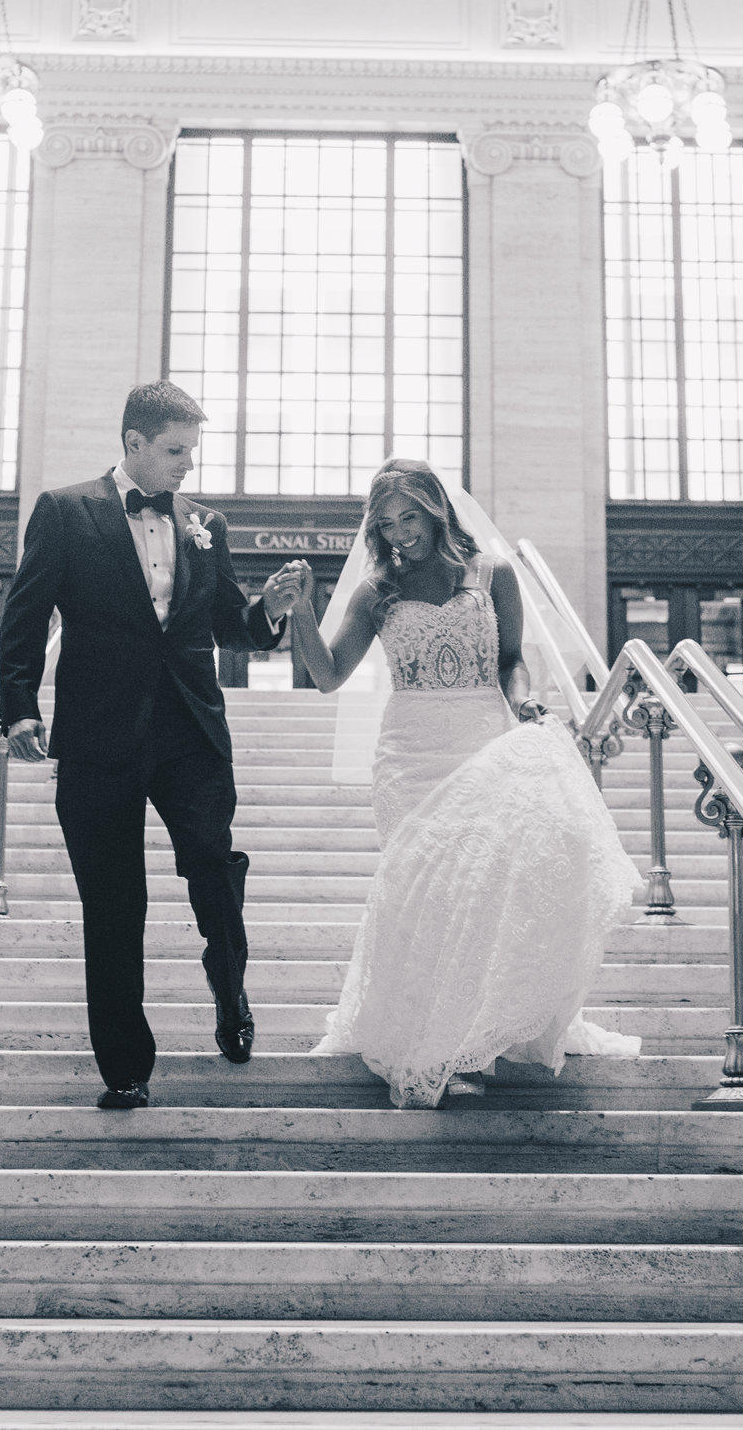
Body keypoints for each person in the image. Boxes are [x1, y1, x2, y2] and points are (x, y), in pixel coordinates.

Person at [273, 458, 639, 1109]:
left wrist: (524, 703)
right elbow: (327, 674)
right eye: (385, 524)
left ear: (436, 508)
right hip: (409, 750)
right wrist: (301, 609)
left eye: (408, 516)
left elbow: (510, 660)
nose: (399, 533)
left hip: (481, 734)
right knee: (422, 891)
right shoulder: (376, 588)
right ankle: (431, 1040)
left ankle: (478, 1033)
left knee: (485, 887)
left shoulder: (493, 572)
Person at [0, 381, 307, 1109]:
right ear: (134, 442)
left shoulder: (207, 523)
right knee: (112, 902)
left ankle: (229, 990)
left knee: (212, 865)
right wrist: (18, 707)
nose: (186, 467)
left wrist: (271, 611)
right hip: (99, 735)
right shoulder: (67, 511)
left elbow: (232, 622)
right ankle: (125, 1068)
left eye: (192, 453)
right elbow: (26, 614)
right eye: (175, 451)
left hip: (190, 732)